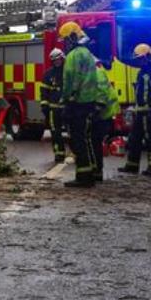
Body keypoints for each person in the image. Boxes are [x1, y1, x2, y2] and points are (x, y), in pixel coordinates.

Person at [59, 21, 99, 188]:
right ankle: (89, 173)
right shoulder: (88, 53)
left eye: (66, 40)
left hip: (76, 104)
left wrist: (65, 99)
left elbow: (71, 81)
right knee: (85, 139)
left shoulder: (73, 56)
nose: (65, 44)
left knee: (77, 141)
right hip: (89, 102)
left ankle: (83, 177)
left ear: (73, 37)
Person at [118, 43, 151, 177]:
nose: (139, 61)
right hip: (140, 111)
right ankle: (132, 165)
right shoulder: (143, 72)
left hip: (149, 112)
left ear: (147, 57)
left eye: (140, 58)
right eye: (137, 59)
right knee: (134, 139)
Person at [91, 58, 120, 182]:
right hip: (104, 113)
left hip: (103, 114)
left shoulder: (96, 73)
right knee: (95, 143)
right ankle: (96, 170)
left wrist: (96, 110)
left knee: (95, 142)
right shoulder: (96, 72)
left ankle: (97, 171)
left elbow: (102, 94)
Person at [40, 48, 66, 163]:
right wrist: (44, 105)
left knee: (74, 132)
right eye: (54, 61)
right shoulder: (48, 74)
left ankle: (77, 154)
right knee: (55, 132)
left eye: (59, 60)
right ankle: (59, 154)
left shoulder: (68, 71)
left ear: (62, 58)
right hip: (54, 109)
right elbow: (44, 92)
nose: (57, 62)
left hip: (67, 108)